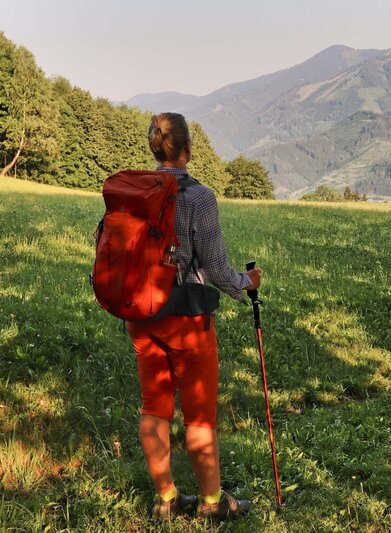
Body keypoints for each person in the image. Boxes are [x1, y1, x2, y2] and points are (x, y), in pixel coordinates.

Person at [128, 112, 261, 521]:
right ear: (187, 150)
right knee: (199, 414)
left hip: (141, 312)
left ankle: (166, 499)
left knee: (154, 407)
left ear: (155, 147)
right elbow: (217, 269)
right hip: (186, 317)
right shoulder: (199, 197)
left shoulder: (135, 191)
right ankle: (211, 503)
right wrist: (247, 283)